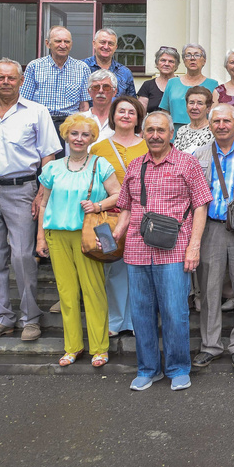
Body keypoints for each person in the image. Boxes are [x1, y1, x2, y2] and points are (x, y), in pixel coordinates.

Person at [0, 59, 62, 343]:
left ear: (20, 81)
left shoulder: (36, 112)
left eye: (12, 78)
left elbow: (48, 156)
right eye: (1, 77)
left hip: (22, 190)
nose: (6, 82)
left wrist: (43, 190)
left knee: (21, 255)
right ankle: (2, 317)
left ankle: (31, 318)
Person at [112, 111, 211, 391]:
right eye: (150, 130)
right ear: (143, 133)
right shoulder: (134, 166)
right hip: (136, 249)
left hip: (175, 249)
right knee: (141, 313)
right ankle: (147, 369)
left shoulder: (187, 163)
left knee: (175, 311)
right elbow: (127, 207)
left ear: (171, 134)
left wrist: (194, 246)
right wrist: (116, 233)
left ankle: (178, 368)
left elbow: (201, 205)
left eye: (161, 130)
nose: (155, 135)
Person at [35, 113, 120, 367]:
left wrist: (97, 205)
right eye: (75, 134)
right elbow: (43, 203)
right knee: (67, 293)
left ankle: (100, 348)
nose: (79, 139)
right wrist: (40, 237)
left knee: (94, 290)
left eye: (85, 135)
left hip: (90, 235)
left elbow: (118, 194)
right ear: (66, 136)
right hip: (57, 235)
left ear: (92, 138)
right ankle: (72, 347)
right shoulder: (52, 168)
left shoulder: (100, 164)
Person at [190, 104, 234, 370]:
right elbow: (194, 196)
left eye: (226, 121)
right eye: (216, 121)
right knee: (209, 290)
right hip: (211, 227)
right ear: (210, 125)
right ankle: (210, 345)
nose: (221, 125)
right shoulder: (199, 154)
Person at [90, 95, 147, 337]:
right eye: (121, 111)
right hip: (109, 216)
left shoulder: (149, 144)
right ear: (113, 116)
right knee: (112, 269)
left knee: (138, 271)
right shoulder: (98, 148)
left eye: (131, 112)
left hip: (143, 216)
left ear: (138, 118)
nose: (125, 115)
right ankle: (114, 321)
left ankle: (136, 321)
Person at [20, 26, 90, 135]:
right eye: (58, 41)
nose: (63, 45)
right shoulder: (34, 67)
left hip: (70, 126)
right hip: (40, 125)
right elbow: (24, 101)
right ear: (48, 43)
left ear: (71, 45)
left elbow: (83, 105)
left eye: (66, 41)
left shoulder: (82, 68)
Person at [163, 44, 219, 130]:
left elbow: (214, 115)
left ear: (204, 61)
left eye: (197, 55)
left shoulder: (213, 84)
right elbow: (165, 113)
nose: (192, 58)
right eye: (188, 55)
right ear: (184, 60)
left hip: (203, 133)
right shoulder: (172, 83)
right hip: (174, 133)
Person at [83, 27, 136, 98]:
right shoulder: (82, 68)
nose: (106, 47)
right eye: (103, 42)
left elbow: (131, 102)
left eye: (110, 44)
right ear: (94, 44)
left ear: (115, 47)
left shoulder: (125, 73)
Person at [137, 46, 179, 114]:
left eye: (171, 61)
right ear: (157, 63)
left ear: (176, 66)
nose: (166, 64)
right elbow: (141, 114)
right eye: (163, 60)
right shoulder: (148, 85)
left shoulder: (182, 84)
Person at [174, 86, 214, 154]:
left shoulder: (213, 131)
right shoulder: (181, 131)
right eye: (191, 103)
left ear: (208, 109)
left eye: (200, 103)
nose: (194, 107)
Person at [85, 70, 118, 140]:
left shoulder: (121, 120)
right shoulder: (80, 119)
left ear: (114, 92)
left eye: (106, 87)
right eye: (96, 87)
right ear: (89, 92)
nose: (100, 91)